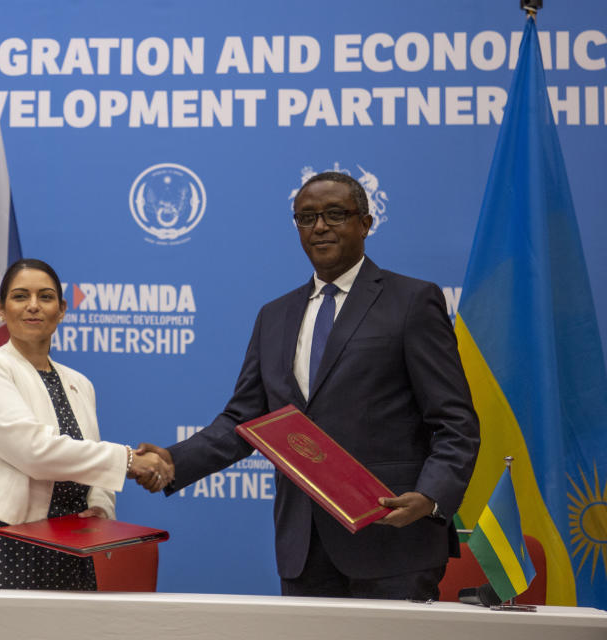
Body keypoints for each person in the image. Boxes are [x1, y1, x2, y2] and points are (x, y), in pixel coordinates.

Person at [137, 172, 479, 600]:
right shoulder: (274, 316)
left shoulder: (411, 300)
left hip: (393, 540)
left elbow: (455, 421)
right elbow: (245, 420)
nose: (320, 227)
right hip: (304, 546)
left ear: (365, 224)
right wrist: (173, 460)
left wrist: (430, 497)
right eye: (306, 217)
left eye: (335, 214)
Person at [0, 258, 172, 591]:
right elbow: (32, 451)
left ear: (62, 309)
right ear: (1, 308)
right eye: (19, 296)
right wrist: (129, 460)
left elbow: (90, 461)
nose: (33, 306)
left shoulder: (80, 383)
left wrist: (100, 507)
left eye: (45, 297)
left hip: (66, 549)